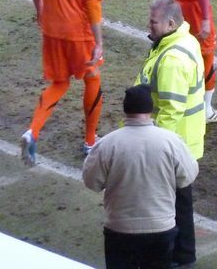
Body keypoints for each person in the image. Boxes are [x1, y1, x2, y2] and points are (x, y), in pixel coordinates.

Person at [21, 0, 105, 167]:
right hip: (78, 32)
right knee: (92, 80)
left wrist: (39, 12)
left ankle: (32, 132)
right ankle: (90, 142)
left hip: (52, 27)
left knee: (60, 83)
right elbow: (92, 3)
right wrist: (99, 41)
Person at [82, 85, 199, 269]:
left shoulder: (107, 144)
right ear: (150, 110)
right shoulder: (172, 142)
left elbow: (91, 182)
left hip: (119, 229)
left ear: (125, 110)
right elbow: (187, 176)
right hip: (161, 229)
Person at [135, 0, 206, 267]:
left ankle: (179, 256)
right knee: (179, 201)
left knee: (170, 204)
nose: (149, 26)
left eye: (153, 22)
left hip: (175, 145)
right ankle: (183, 255)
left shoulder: (173, 58)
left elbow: (170, 110)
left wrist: (152, 148)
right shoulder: (180, 42)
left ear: (171, 23)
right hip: (183, 142)